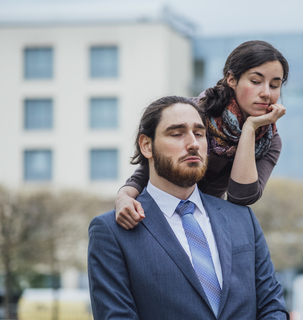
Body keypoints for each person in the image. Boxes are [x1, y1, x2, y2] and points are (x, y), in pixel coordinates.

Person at [88, 96, 289, 320]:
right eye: (176, 133)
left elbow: (273, 307)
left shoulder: (242, 219)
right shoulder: (111, 231)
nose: (193, 143)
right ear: (147, 145)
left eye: (200, 134)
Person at [116, 40, 289, 230]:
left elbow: (241, 197)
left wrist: (249, 129)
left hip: (206, 222)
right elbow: (153, 165)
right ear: (231, 79)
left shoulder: (268, 139)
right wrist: (124, 196)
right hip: (157, 214)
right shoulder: (195, 112)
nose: (266, 93)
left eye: (274, 85)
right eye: (255, 81)